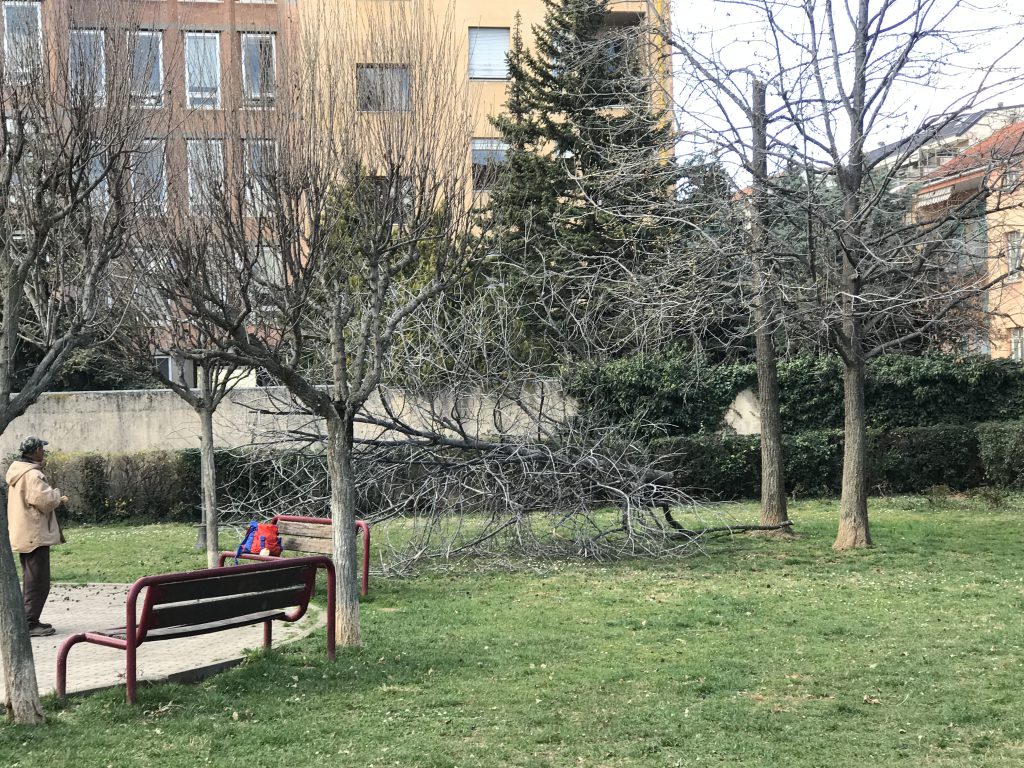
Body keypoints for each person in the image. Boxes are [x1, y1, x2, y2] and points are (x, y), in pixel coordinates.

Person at [6, 436, 67, 637]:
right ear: (35, 451)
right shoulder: (32, 475)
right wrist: (59, 496)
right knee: (38, 581)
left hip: (24, 533)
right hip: (34, 534)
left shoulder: (19, 472)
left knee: (32, 578)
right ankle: (29, 623)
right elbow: (45, 501)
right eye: (42, 448)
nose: (44, 452)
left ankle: (29, 620)